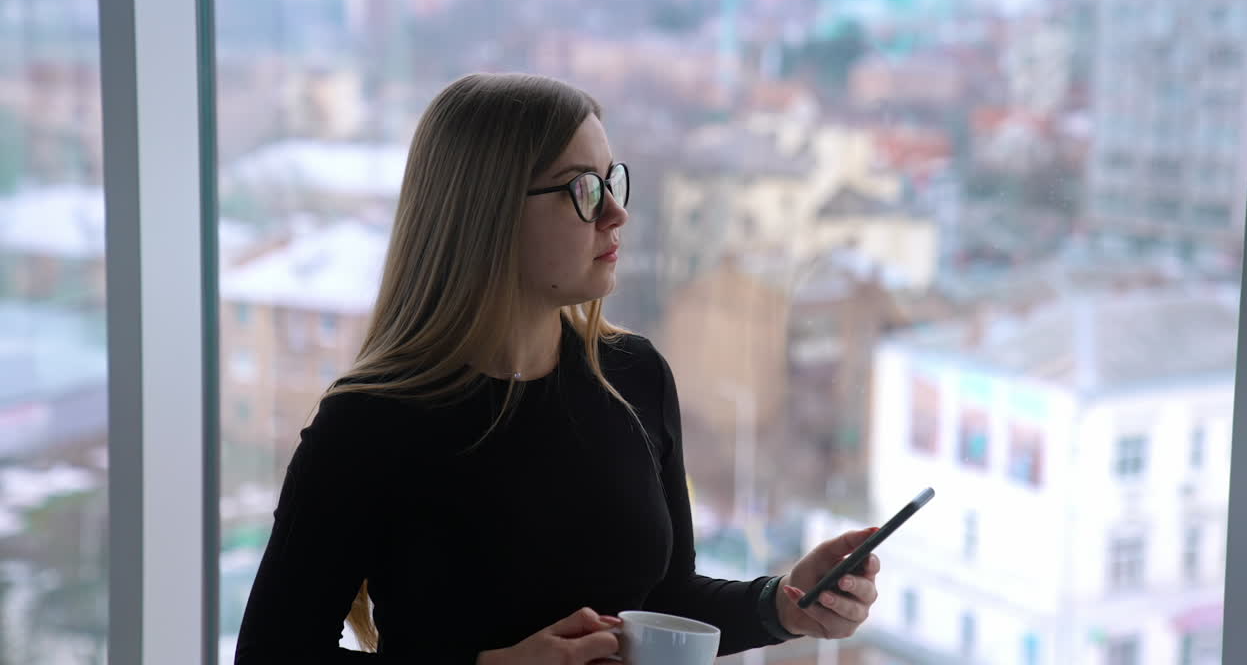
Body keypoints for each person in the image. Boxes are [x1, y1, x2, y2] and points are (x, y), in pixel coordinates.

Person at [233, 73, 881, 664]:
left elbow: (663, 598)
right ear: (485, 211)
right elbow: (272, 654)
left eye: (611, 180)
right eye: (582, 189)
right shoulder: (369, 424)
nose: (616, 212)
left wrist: (782, 604)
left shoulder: (635, 376)